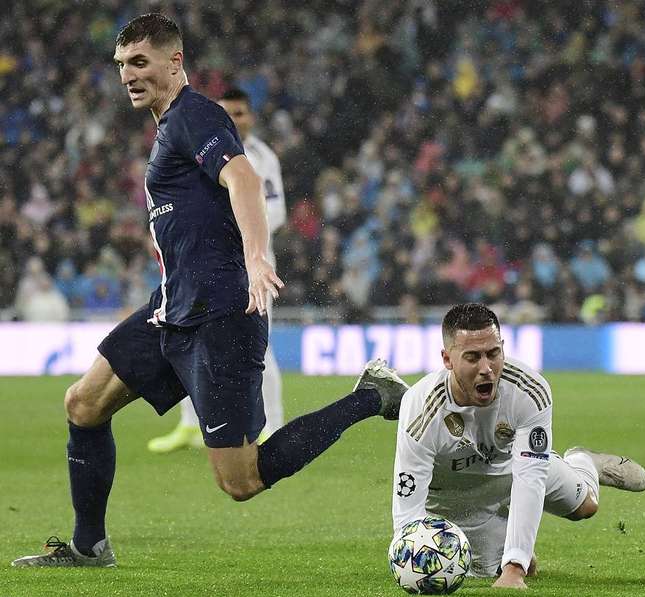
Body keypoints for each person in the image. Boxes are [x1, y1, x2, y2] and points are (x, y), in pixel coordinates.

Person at [12, 13, 409, 568]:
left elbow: (242, 178)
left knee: (241, 481)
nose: (128, 74)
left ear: (175, 62)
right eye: (122, 65)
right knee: (83, 403)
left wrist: (255, 257)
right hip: (173, 306)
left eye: (140, 62)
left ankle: (372, 396)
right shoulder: (168, 126)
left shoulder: (194, 115)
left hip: (221, 314)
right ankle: (88, 546)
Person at [382, 303, 645, 590]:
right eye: (472, 357)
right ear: (447, 359)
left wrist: (515, 567)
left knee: (585, 508)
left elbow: (529, 477)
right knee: (483, 570)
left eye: (493, 354)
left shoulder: (527, 390)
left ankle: (584, 462)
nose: (486, 369)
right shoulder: (422, 408)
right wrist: (409, 559)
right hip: (458, 495)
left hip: (515, 465)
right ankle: (500, 537)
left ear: (503, 348)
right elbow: (408, 504)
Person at [146, 87, 287, 452]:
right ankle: (191, 425)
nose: (235, 120)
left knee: (258, 348)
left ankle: (273, 426)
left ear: (251, 116)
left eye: (241, 113)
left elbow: (275, 209)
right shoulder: (200, 142)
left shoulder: (260, 157)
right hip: (202, 263)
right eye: (229, 114)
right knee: (186, 342)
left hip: (250, 265)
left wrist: (236, 223)